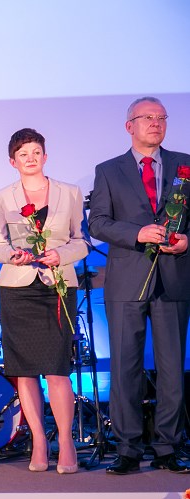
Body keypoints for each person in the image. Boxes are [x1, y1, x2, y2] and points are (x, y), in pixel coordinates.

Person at [89, 96, 190, 474]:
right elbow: (97, 223)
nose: (156, 123)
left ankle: (168, 447)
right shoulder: (108, 170)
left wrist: (187, 240)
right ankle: (128, 448)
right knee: (124, 368)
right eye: (147, 117)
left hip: (173, 278)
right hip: (127, 280)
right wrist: (137, 233)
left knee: (171, 369)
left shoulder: (185, 165)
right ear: (129, 125)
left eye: (162, 117)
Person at [0, 128, 88, 474]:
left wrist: (61, 254)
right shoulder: (3, 197)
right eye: (23, 154)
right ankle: (39, 442)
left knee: (57, 369)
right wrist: (11, 256)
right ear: (12, 161)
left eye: (35, 152)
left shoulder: (69, 192)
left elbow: (81, 241)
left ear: (45, 156)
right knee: (25, 371)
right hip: (17, 288)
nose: (30, 158)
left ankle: (66, 442)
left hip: (57, 286)